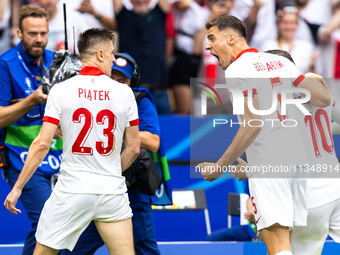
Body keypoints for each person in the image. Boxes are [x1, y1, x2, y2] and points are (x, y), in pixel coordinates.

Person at [198, 15, 330, 255]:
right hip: (298, 162)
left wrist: (219, 167)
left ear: (231, 38)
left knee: (279, 249)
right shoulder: (280, 62)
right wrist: (305, 82)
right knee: (293, 248)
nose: (208, 46)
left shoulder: (238, 68)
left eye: (212, 38)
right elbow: (324, 99)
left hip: (270, 165)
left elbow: (253, 124)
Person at [4, 28, 140, 255]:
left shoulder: (60, 90)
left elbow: (40, 145)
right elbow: (134, 148)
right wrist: (110, 171)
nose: (113, 59)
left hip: (72, 191)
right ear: (99, 55)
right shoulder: (124, 92)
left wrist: (17, 188)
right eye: (111, 53)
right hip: (111, 192)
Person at [61, 52, 161, 255]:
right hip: (93, 188)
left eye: (122, 80)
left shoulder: (139, 99)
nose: (115, 83)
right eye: (111, 77)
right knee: (72, 250)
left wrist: (115, 127)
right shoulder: (86, 99)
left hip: (131, 190)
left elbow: (153, 142)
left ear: (132, 81)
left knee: (144, 250)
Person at [0, 5, 63, 255]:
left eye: (43, 33)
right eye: (32, 33)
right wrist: (33, 99)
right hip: (21, 157)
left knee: (48, 225)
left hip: (58, 156)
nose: (39, 39)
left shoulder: (57, 61)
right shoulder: (6, 64)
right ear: (18, 33)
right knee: (48, 220)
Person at [112, 0, 172, 115]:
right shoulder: (123, 16)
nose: (140, 0)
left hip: (159, 90)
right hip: (131, 92)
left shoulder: (159, 13)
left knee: (168, 130)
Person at [261, 6, 315, 74]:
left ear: (297, 25)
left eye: (292, 23)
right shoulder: (269, 46)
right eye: (285, 22)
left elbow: (313, 76)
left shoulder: (307, 47)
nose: (289, 26)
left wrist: (312, 65)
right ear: (278, 24)